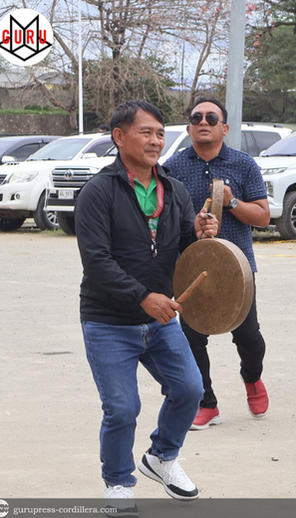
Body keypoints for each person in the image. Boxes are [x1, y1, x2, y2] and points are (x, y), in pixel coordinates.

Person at [74, 99, 218, 503]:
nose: (156, 141)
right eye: (146, 132)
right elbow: (96, 261)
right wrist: (142, 297)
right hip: (108, 320)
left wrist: (201, 232)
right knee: (122, 408)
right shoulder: (98, 191)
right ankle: (118, 484)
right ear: (119, 137)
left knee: (190, 389)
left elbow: (185, 248)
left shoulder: (173, 189)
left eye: (160, 133)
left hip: (160, 319)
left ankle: (162, 456)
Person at [163, 98, 272, 429]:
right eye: (196, 117)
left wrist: (232, 201)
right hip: (190, 267)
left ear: (224, 127)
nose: (203, 122)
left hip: (237, 269)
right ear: (188, 127)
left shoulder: (243, 165)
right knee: (192, 338)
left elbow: (264, 217)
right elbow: (164, 217)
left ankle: (252, 377)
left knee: (248, 337)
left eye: (212, 117)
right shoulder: (173, 168)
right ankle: (206, 402)